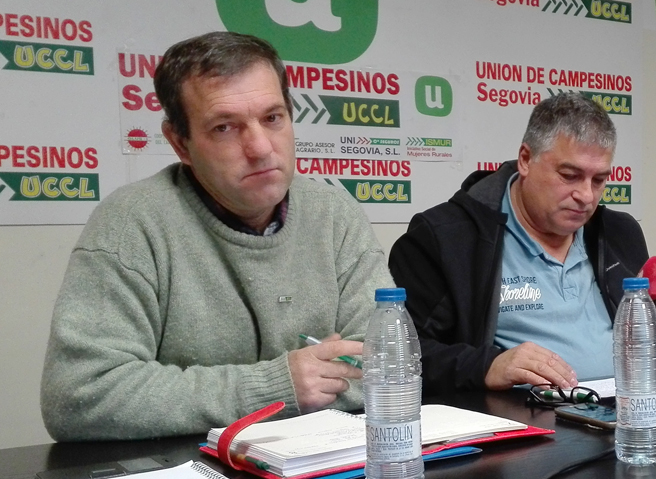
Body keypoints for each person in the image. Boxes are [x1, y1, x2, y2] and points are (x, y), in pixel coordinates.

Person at [40, 32, 392, 441]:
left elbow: (387, 366)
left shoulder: (335, 214)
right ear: (180, 143)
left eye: (273, 118)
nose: (260, 148)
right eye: (225, 127)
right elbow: (79, 397)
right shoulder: (131, 223)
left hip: (323, 473)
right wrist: (275, 388)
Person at [389, 93, 656, 395]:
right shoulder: (445, 237)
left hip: (626, 414)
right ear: (526, 159)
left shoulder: (620, 232)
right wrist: (488, 366)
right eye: (569, 176)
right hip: (524, 426)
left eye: (599, 180)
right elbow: (400, 353)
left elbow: (633, 330)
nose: (587, 196)